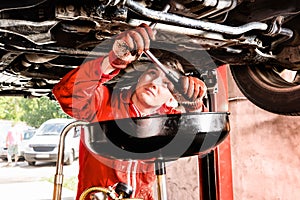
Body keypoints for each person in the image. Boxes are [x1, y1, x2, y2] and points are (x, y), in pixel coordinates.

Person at [53, 24, 207, 200]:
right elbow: (67, 94)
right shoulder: (104, 102)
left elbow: (201, 143)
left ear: (171, 98)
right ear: (140, 77)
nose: (155, 83)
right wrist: (112, 60)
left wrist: (194, 105)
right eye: (151, 73)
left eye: (166, 84)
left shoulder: (169, 123)